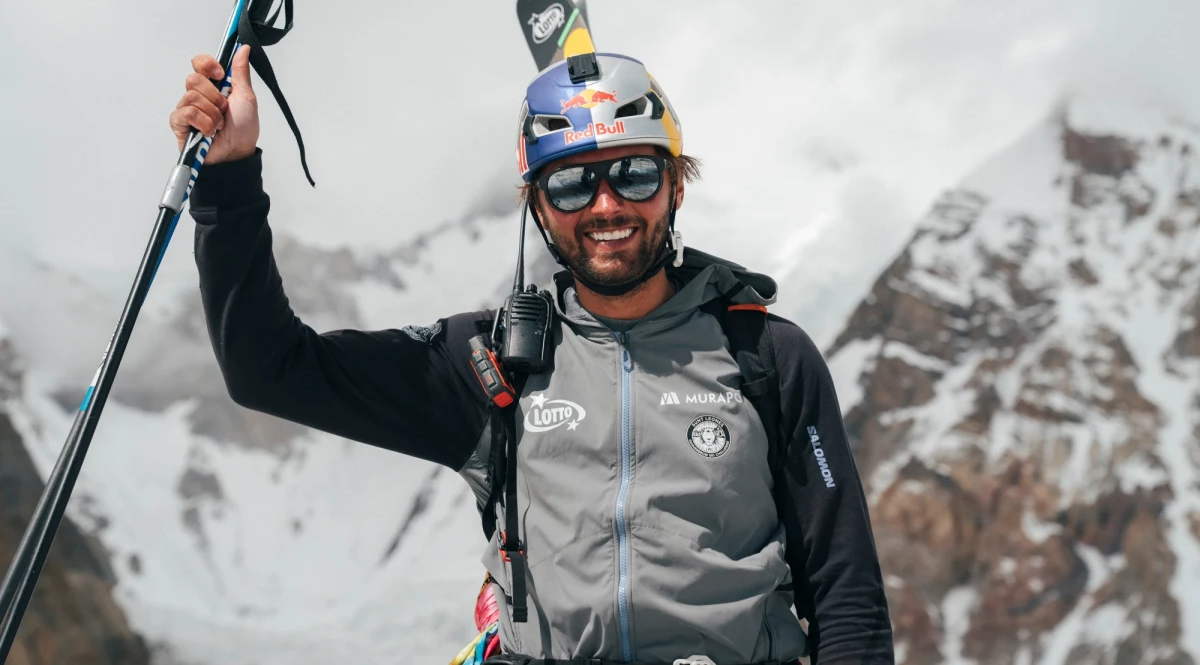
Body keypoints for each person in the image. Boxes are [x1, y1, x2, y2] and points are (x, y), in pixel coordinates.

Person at [169, 44, 895, 664]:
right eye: (572, 183)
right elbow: (270, 369)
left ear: (676, 184)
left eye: (634, 174)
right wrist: (230, 175)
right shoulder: (491, 361)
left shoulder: (767, 355)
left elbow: (845, 590)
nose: (606, 205)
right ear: (539, 208)